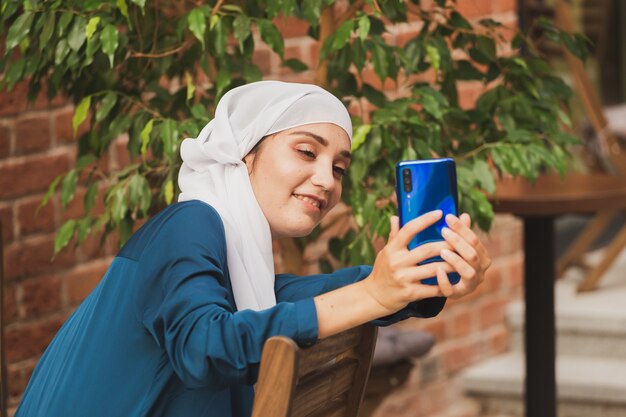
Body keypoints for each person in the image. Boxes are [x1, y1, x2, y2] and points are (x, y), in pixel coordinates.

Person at [15, 81, 490, 417]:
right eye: (307, 151)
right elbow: (206, 347)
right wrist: (375, 295)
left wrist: (425, 279)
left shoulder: (245, 270)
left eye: (339, 167)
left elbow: (302, 295)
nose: (326, 179)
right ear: (245, 152)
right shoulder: (190, 222)